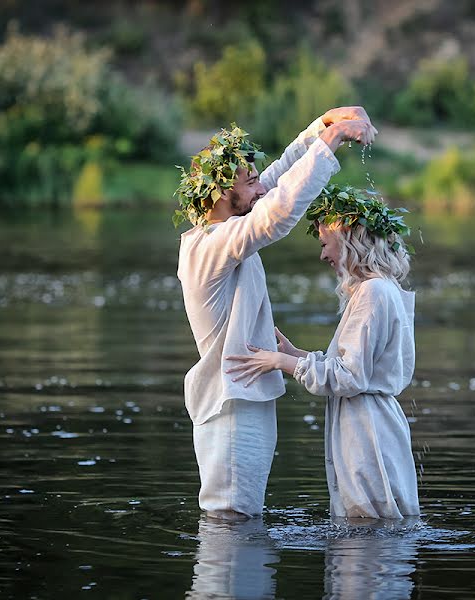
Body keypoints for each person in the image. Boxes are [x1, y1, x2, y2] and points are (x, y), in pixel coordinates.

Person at [175, 109, 378, 521]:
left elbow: (277, 180)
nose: (259, 187)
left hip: (245, 398)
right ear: (218, 195)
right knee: (230, 520)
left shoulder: (228, 227)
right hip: (230, 405)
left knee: (242, 524)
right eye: (248, 183)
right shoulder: (209, 246)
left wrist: (321, 125)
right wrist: (335, 136)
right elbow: (279, 211)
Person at [225, 184, 420, 519]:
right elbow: (353, 368)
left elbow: (350, 378)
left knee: (367, 520)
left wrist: (282, 362)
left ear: (347, 242)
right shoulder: (380, 288)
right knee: (372, 519)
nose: (323, 255)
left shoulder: (372, 293)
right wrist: (299, 355)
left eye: (325, 244)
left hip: (366, 428)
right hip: (371, 419)